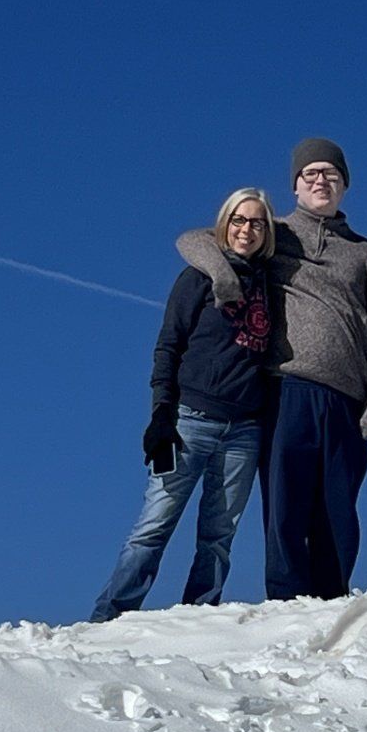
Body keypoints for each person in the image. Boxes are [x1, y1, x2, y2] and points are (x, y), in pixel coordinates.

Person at [177, 138, 367, 600]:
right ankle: (287, 602)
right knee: (285, 505)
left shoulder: (363, 253)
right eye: (311, 174)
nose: (321, 181)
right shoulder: (275, 235)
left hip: (346, 400)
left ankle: (332, 596)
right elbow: (194, 240)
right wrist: (223, 274)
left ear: (344, 187)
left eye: (331, 175)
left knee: (337, 508)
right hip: (286, 389)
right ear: (295, 185)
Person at [90, 189, 275, 623]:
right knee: (154, 525)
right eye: (238, 220)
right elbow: (168, 346)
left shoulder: (272, 281)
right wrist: (161, 412)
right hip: (191, 418)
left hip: (244, 427)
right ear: (224, 223)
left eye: (256, 223)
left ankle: (197, 618)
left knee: (219, 534)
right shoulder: (197, 277)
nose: (246, 230)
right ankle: (109, 617)